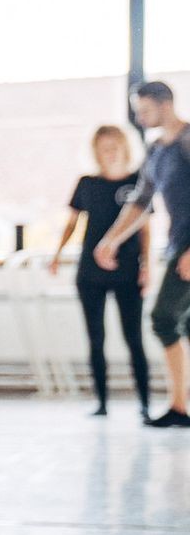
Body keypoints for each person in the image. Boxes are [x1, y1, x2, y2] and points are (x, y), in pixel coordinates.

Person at [93, 82, 190, 427]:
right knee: (184, 323)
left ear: (166, 104)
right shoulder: (156, 149)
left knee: (164, 318)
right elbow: (140, 201)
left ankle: (180, 407)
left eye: (144, 108)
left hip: (188, 246)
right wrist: (111, 240)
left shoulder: (187, 140)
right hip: (177, 244)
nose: (139, 116)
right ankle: (181, 406)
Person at [50, 125, 150, 419]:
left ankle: (144, 404)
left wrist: (146, 267)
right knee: (96, 338)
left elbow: (145, 228)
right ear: (96, 151)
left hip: (128, 270)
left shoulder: (138, 182)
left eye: (114, 146)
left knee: (133, 337)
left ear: (124, 147)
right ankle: (102, 402)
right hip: (91, 272)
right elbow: (71, 224)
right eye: (104, 147)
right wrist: (56, 255)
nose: (110, 152)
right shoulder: (86, 184)